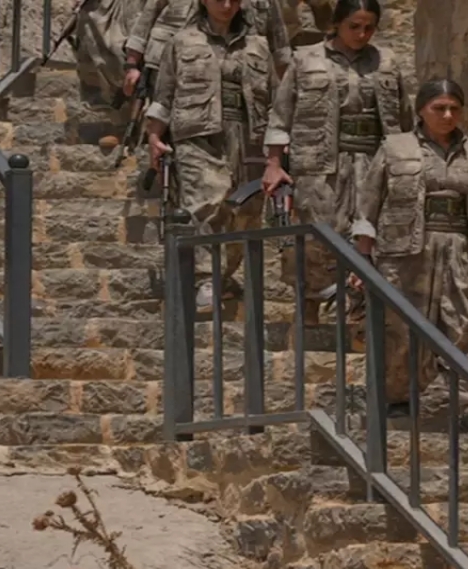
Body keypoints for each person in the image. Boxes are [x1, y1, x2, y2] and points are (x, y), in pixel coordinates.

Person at [352, 78, 468, 429]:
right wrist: (362, 259)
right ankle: (397, 399)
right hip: (405, 255)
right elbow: (368, 208)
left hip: (461, 253)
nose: (448, 115)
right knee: (400, 329)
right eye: (439, 108)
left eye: (454, 108)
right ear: (421, 110)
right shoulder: (394, 147)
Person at [263, 0, 412, 325]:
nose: (361, 34)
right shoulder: (306, 59)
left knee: (367, 232)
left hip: (372, 161)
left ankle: (358, 309)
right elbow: (280, 116)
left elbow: (404, 118)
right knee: (319, 235)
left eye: (368, 27)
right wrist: (274, 164)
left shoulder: (386, 62)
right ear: (337, 24)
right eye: (354, 27)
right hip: (319, 164)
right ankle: (311, 308)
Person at [144, 0, 277, 309]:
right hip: (197, 137)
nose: (227, 5)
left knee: (245, 209)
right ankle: (205, 277)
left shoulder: (258, 45)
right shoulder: (182, 41)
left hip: (247, 136)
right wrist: (154, 136)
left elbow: (274, 97)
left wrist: (275, 150)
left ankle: (223, 273)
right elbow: (164, 94)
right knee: (206, 202)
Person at [124, 0, 290, 104]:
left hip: (239, 72)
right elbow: (146, 20)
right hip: (175, 71)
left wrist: (284, 87)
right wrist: (132, 64)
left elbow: (278, 41)